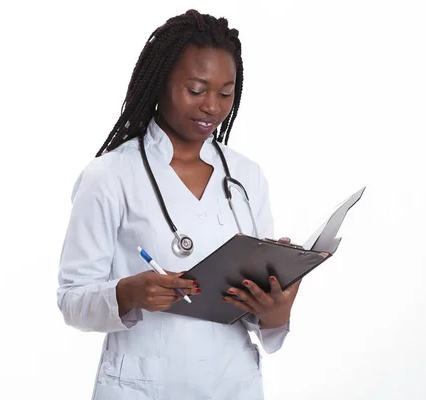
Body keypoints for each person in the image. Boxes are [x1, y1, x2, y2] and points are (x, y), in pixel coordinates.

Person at [57, 9, 301, 400]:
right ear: (160, 82)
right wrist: (128, 293)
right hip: (142, 386)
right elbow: (71, 299)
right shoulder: (109, 176)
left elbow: (260, 315)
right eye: (196, 89)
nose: (212, 107)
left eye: (225, 92)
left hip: (233, 383)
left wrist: (275, 310)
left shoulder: (246, 177)